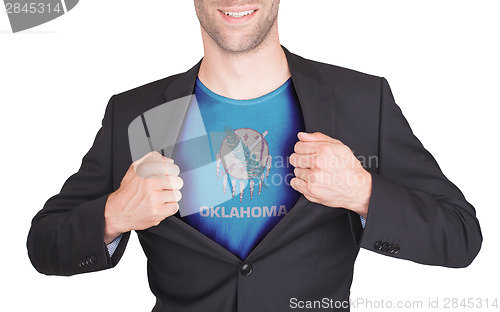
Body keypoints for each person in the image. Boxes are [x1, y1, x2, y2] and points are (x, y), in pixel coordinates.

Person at [27, 1, 482, 311]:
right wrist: (114, 214)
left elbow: (460, 236)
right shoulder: (138, 114)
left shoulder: (361, 101)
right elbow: (44, 245)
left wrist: (363, 192)